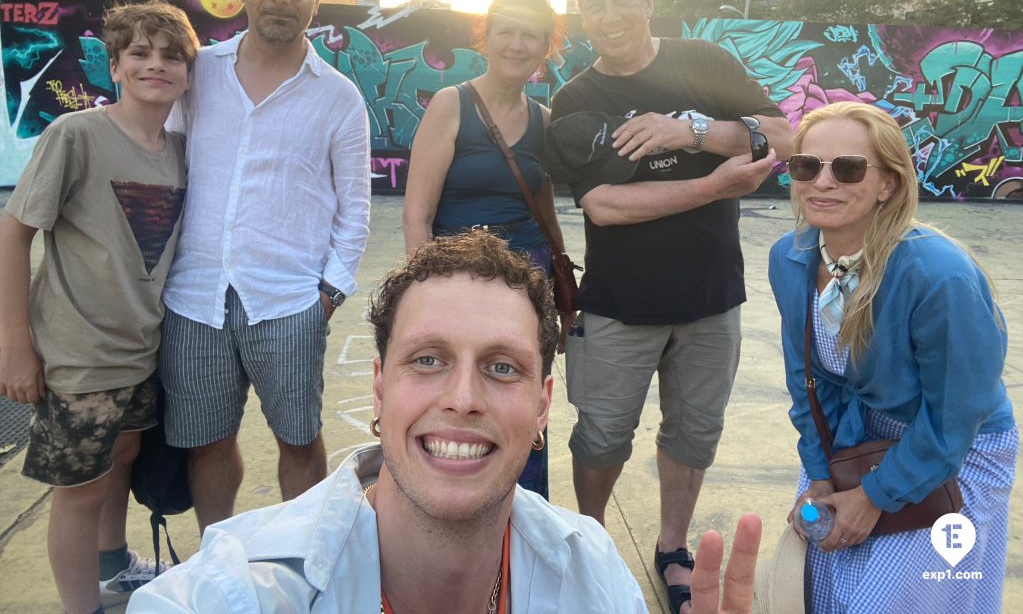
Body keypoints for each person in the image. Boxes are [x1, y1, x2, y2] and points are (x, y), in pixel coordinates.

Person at [126, 230, 764, 614]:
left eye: (502, 367)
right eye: (427, 360)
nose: (462, 397)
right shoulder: (242, 588)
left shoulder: (591, 574)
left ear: (543, 405)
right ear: (380, 389)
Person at [546, 0, 791, 613]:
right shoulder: (577, 95)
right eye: (595, 5)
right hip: (620, 304)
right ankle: (591, 543)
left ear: (649, 1)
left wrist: (691, 131)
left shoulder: (704, 62)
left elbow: (782, 134)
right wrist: (713, 187)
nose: (611, 14)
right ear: (582, 14)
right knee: (601, 434)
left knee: (693, 432)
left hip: (712, 299)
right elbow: (603, 205)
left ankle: (672, 546)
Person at [768, 101, 1018, 612]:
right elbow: (808, 383)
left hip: (953, 448)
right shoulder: (790, 257)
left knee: (897, 599)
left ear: (888, 184)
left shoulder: (937, 273)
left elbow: (955, 415)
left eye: (847, 168)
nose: (822, 182)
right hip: (852, 438)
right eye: (806, 165)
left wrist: (874, 497)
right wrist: (819, 475)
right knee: (830, 585)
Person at [160, 0, 371, 533]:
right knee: (207, 442)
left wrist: (328, 293)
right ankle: (218, 553)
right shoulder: (198, 73)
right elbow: (159, 153)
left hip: (289, 301)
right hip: (193, 297)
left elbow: (355, 207)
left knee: (299, 439)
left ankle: (300, 558)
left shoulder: (339, 98)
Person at [0, 1, 199, 613]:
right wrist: (15, 345)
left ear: (189, 73)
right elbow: (14, 233)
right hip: (77, 354)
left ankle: (113, 566)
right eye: (139, 53)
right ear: (113, 66)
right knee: (78, 491)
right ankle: (80, 607)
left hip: (140, 349)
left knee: (123, 457)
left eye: (171, 55)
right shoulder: (76, 136)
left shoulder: (180, 150)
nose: (155, 65)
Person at [403, 0, 568, 498]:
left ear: (547, 46)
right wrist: (422, 299)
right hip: (457, 286)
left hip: (527, 289)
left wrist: (564, 295)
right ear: (486, 37)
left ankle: (524, 520)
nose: (518, 45)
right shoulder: (453, 105)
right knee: (455, 403)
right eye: (507, 32)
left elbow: (546, 211)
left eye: (532, 36)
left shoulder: (545, 121)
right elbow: (416, 214)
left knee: (519, 405)